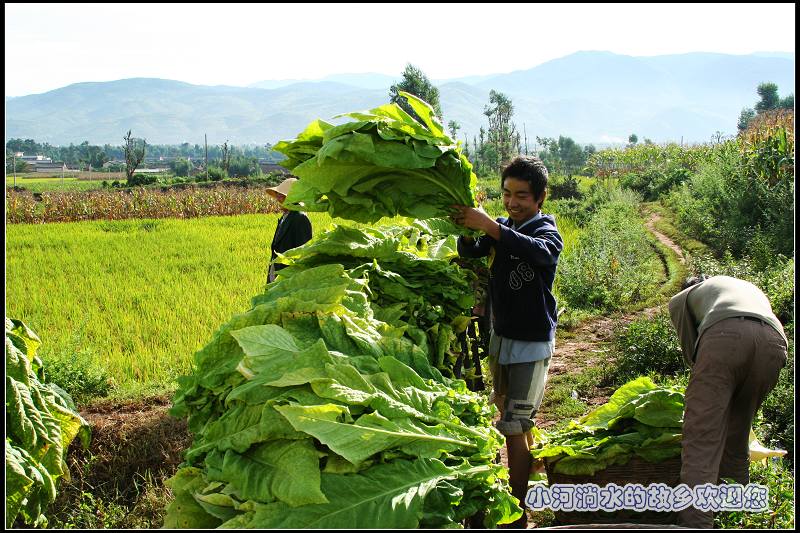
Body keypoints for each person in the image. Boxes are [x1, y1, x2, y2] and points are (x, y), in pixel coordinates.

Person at [452, 155, 563, 528]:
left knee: (514, 426)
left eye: (522, 196)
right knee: (513, 416)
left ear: (540, 198)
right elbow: (472, 250)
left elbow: (539, 252)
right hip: (501, 339)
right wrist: (470, 230)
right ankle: (521, 492)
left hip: (531, 344)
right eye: (506, 194)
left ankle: (517, 512)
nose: (513, 203)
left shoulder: (545, 232)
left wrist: (492, 227)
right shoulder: (501, 226)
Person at [668, 274, 788, 529]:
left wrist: (704, 396)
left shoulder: (682, 298)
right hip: (774, 344)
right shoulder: (737, 286)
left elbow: (691, 351)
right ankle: (736, 517)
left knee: (702, 441)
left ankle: (695, 524)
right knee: (736, 440)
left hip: (725, 338)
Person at [265, 177, 312, 285]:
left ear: (293, 197)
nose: (278, 199)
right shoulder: (286, 215)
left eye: (281, 196)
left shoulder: (300, 217)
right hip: (277, 269)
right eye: (278, 196)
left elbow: (303, 253)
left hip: (288, 275)